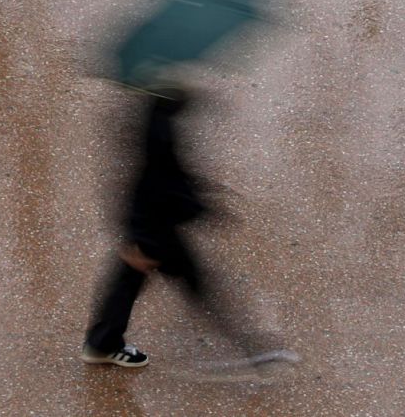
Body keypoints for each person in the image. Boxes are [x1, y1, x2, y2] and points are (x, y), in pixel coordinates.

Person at [82, 86, 299, 368]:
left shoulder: (156, 113)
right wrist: (155, 226)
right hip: (154, 224)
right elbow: (158, 177)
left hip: (152, 221)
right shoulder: (158, 125)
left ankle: (102, 343)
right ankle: (251, 350)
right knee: (190, 281)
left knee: (136, 279)